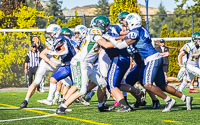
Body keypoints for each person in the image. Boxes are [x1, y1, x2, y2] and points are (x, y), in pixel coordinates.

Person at [99, 13, 193, 112]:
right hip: (154, 58)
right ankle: (185, 98)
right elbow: (125, 39)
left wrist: (109, 38)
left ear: (132, 22)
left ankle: (168, 100)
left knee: (147, 84)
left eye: (127, 22)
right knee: (162, 85)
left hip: (150, 59)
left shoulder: (135, 31)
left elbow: (120, 46)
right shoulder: (141, 29)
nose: (125, 24)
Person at [20, 24, 63, 108]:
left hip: (58, 64)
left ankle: (62, 101)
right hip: (46, 63)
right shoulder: (50, 42)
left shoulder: (63, 42)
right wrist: (50, 62)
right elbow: (42, 54)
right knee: (36, 81)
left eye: (50, 33)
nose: (48, 35)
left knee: (66, 82)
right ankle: (26, 100)